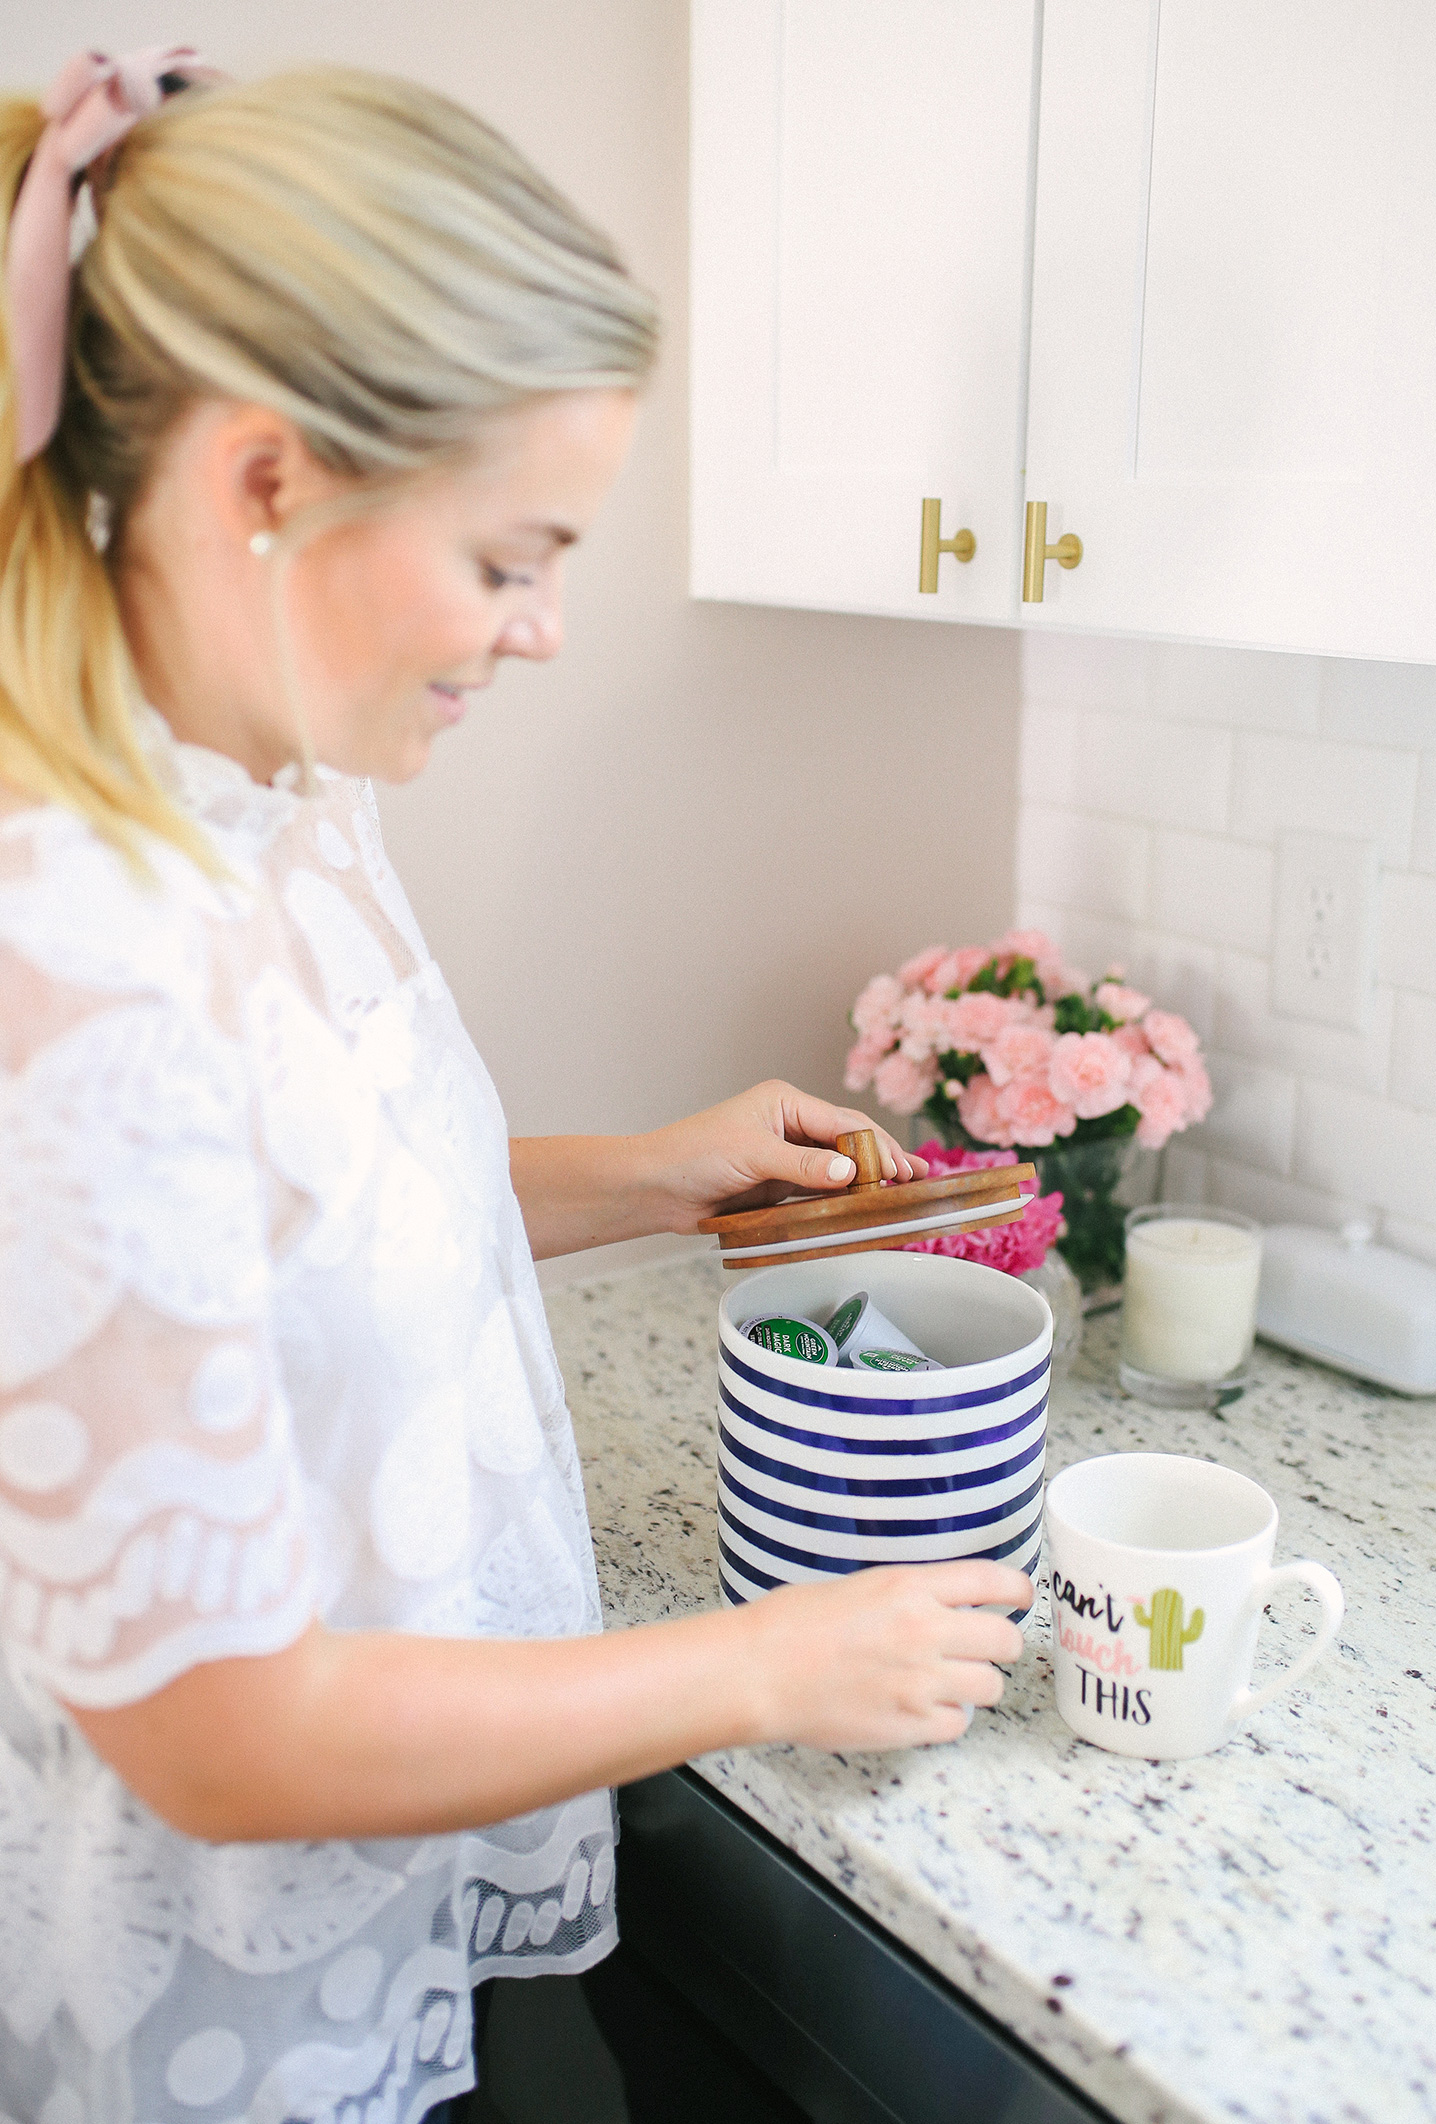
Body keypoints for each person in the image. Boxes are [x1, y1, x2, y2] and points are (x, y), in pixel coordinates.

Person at [0, 49, 1034, 2124]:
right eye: (508, 557)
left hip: (385, 1875)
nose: (548, 629)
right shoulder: (79, 971)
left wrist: (649, 1175)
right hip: (217, 2006)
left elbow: (304, 1228)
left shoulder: (282, 800)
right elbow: (217, 1732)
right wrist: (766, 1667)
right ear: (270, 482)